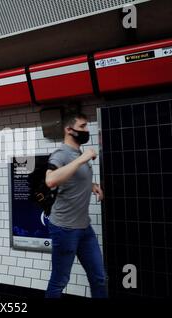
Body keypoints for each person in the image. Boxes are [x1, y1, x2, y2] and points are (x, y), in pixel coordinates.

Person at [45, 111, 107, 298]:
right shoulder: (61, 154)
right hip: (65, 229)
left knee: (99, 277)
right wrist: (83, 158)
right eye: (82, 127)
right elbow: (51, 180)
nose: (86, 130)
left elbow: (72, 180)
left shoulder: (77, 153)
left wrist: (91, 186)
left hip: (84, 228)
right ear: (69, 130)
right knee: (59, 281)